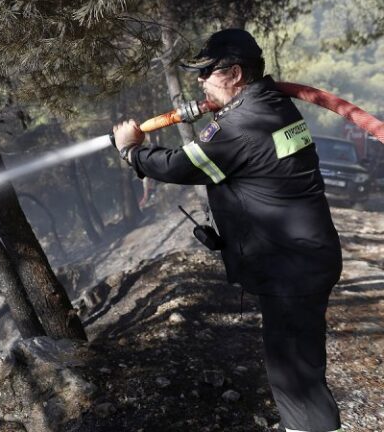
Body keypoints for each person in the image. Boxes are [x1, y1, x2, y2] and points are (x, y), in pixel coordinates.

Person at [112, 28, 342, 432]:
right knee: (301, 368)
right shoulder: (274, 107)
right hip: (303, 259)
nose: (199, 82)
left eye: (207, 73)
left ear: (235, 74)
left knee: (295, 379)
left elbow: (181, 166)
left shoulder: (243, 124)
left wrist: (132, 149)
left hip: (291, 268)